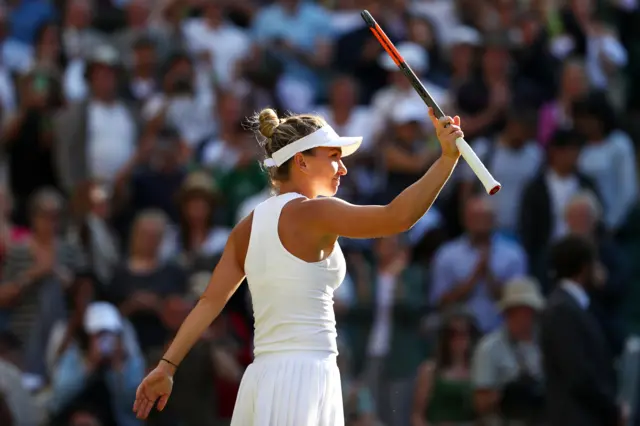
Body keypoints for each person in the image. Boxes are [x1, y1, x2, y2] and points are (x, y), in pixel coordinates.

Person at [132, 105, 464, 426]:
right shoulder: (316, 212)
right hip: (307, 376)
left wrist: (167, 366)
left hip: (261, 379)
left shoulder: (245, 227)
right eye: (333, 157)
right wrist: (446, 159)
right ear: (302, 161)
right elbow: (398, 217)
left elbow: (208, 303)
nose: (343, 168)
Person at [540, 235, 628, 426]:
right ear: (584, 267)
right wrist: (612, 408)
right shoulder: (562, 310)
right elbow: (579, 375)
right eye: (595, 262)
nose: (600, 270)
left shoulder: (574, 307)